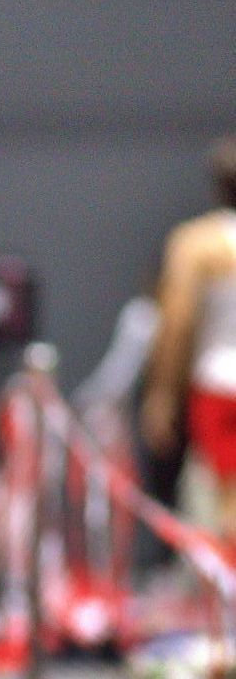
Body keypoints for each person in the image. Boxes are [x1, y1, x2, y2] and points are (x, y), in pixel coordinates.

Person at [142, 135, 236, 552]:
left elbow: (176, 325)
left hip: (216, 384)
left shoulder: (196, 245)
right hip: (217, 382)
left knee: (221, 507)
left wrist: (162, 394)